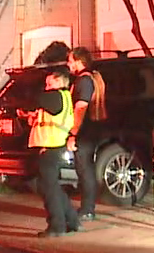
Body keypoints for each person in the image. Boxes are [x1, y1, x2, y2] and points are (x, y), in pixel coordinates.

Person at [23, 65, 78, 237]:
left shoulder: (56, 96)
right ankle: (71, 220)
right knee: (49, 186)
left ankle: (57, 226)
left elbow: (33, 98)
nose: (46, 87)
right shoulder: (62, 97)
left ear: (59, 82)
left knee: (48, 187)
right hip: (52, 145)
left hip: (51, 146)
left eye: (49, 83)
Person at [68, 46, 107, 223]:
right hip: (93, 129)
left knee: (84, 169)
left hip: (84, 131)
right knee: (86, 168)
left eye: (70, 60)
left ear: (78, 61)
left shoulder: (83, 81)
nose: (68, 64)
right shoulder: (94, 77)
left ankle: (87, 209)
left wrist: (73, 133)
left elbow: (80, 108)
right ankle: (87, 207)